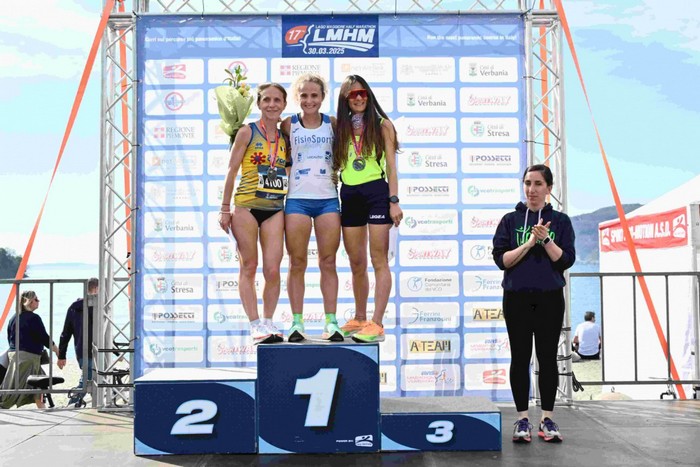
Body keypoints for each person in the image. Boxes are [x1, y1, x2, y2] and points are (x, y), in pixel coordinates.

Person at [492, 164, 576, 443]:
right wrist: (529, 244)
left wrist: (546, 239)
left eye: (538, 184)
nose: (532, 189)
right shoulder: (510, 220)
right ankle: (522, 420)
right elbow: (502, 260)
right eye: (528, 183)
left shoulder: (561, 221)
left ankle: (547, 419)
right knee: (520, 358)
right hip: (516, 298)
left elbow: (566, 260)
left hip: (549, 299)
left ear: (549, 188)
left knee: (547, 358)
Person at [332, 75, 402, 343]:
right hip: (349, 194)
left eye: (363, 93)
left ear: (369, 95)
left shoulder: (383, 125)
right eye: (353, 94)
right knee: (356, 261)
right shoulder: (340, 126)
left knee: (378, 259)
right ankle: (360, 318)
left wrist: (393, 201)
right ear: (345, 99)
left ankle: (377, 322)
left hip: (376, 193)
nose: (359, 98)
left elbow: (392, 167)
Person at [218, 82, 289, 345]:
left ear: (284, 104)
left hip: (274, 209)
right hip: (246, 207)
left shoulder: (285, 136)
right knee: (248, 266)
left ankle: (268, 321)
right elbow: (231, 170)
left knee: (273, 269)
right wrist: (224, 208)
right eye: (266, 100)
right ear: (258, 104)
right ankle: (255, 324)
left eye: (277, 100)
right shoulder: (247, 131)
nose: (272, 104)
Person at [280, 73, 343, 342]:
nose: (309, 100)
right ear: (297, 97)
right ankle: (297, 322)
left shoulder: (332, 123)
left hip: (328, 199)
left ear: (322, 97)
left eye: (314, 95)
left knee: (328, 262)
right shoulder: (288, 124)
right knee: (297, 262)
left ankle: (331, 322)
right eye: (304, 95)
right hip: (297, 199)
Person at [0, 290, 59, 409]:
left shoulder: (13, 318)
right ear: (29, 301)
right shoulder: (34, 318)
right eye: (36, 299)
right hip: (28, 357)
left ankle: (41, 406)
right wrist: (57, 351)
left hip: (16, 355)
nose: (38, 301)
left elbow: (10, 338)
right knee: (16, 387)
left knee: (39, 382)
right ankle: (3, 405)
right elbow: (44, 337)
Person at [57, 277, 98, 406]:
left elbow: (65, 333)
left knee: (89, 379)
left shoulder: (73, 307)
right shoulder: (98, 307)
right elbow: (103, 331)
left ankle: (91, 404)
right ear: (96, 289)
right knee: (88, 381)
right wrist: (114, 351)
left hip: (81, 350)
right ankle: (72, 404)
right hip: (97, 349)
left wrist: (62, 355)